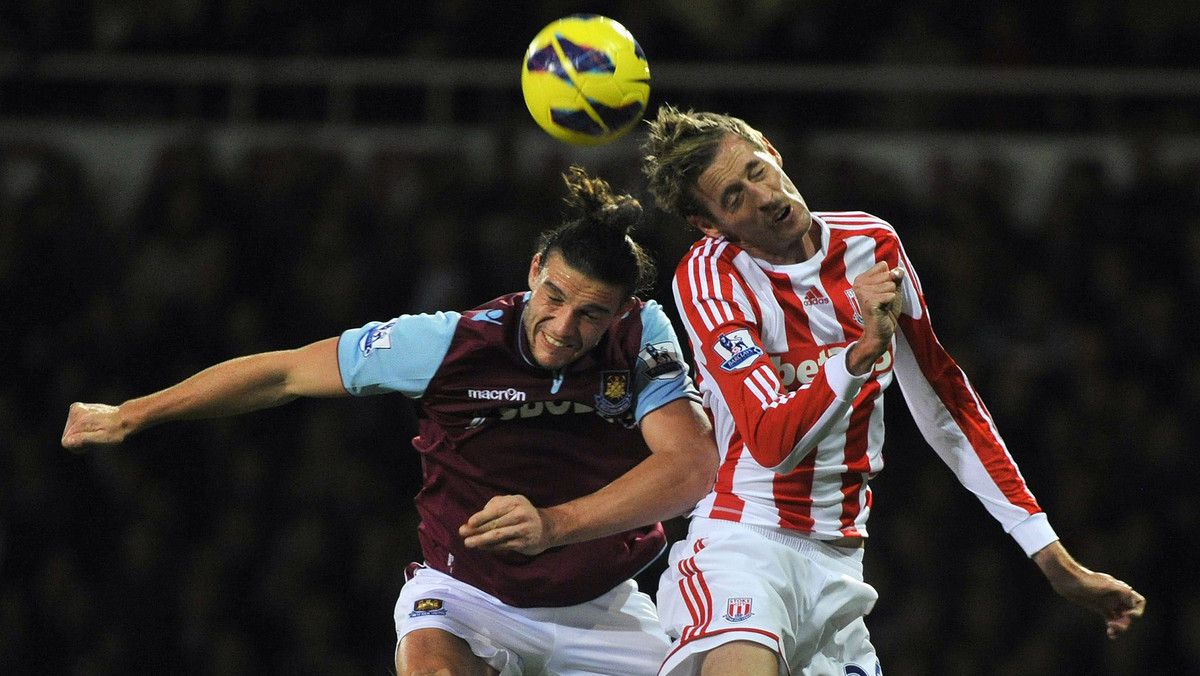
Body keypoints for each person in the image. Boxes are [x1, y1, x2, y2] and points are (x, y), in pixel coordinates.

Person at [61, 166, 719, 676]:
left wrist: (554, 525)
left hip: (600, 605)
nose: (564, 327)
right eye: (554, 299)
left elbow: (689, 467)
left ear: (621, 310)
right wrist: (131, 414)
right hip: (466, 596)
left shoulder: (641, 335)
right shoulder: (448, 343)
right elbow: (284, 373)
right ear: (533, 274)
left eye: (591, 315)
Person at [638, 105, 1146, 676]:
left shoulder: (871, 241)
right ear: (710, 226)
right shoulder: (710, 277)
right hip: (742, 543)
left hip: (841, 564)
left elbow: (946, 404)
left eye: (757, 170)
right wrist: (858, 352)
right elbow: (771, 441)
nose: (763, 196)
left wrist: (1050, 556)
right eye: (733, 197)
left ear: (773, 154)